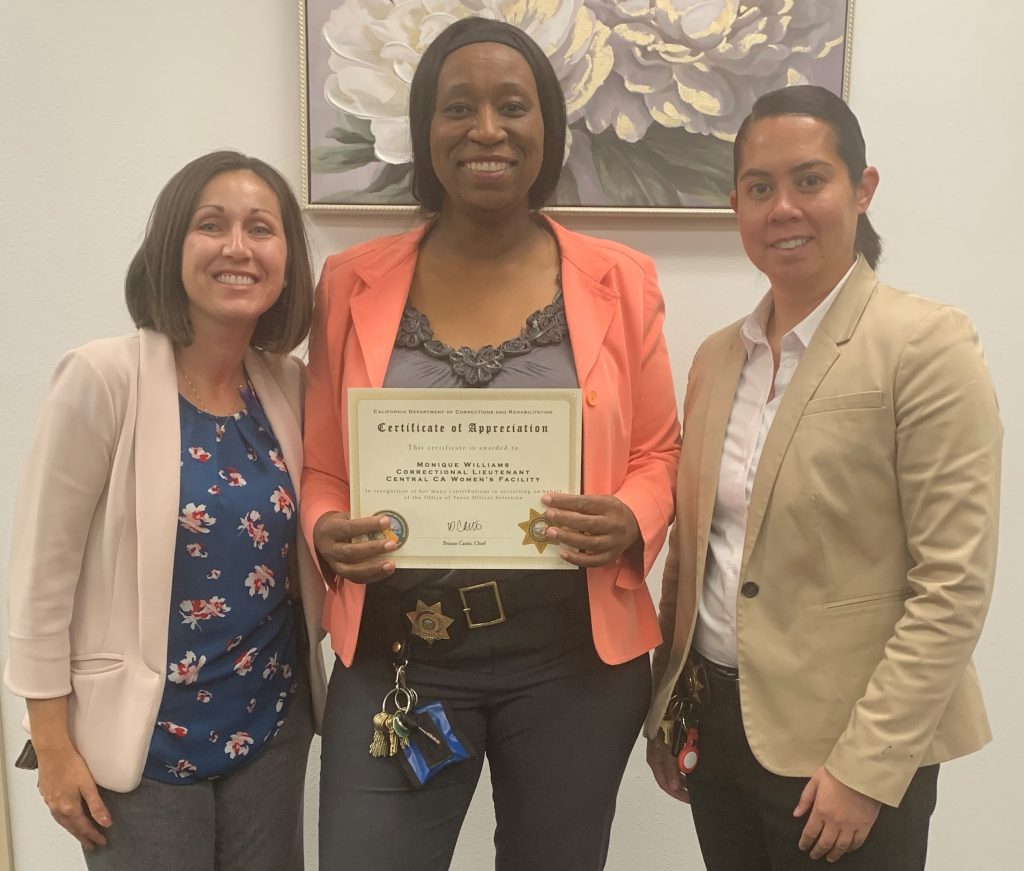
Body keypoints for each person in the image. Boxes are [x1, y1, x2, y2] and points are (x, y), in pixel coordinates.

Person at [302, 17, 680, 871]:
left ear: (547, 126)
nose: (486, 129)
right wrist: (326, 528)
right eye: (457, 108)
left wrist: (630, 515)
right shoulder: (350, 282)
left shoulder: (621, 280)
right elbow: (324, 466)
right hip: (399, 652)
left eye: (512, 106)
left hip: (571, 662)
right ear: (424, 128)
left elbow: (659, 452)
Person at [646, 84, 1002, 869]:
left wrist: (865, 768)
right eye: (759, 187)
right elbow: (697, 552)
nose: (783, 209)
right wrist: (670, 707)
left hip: (848, 748)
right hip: (718, 725)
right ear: (735, 204)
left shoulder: (925, 345)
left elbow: (953, 585)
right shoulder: (716, 357)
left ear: (861, 187)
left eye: (809, 180)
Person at [4, 150, 327, 871]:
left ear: (287, 261)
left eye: (261, 228)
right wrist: (51, 746)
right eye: (212, 225)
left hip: (270, 728)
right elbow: (39, 579)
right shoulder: (102, 379)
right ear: (171, 247)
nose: (238, 247)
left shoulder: (290, 387)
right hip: (142, 745)